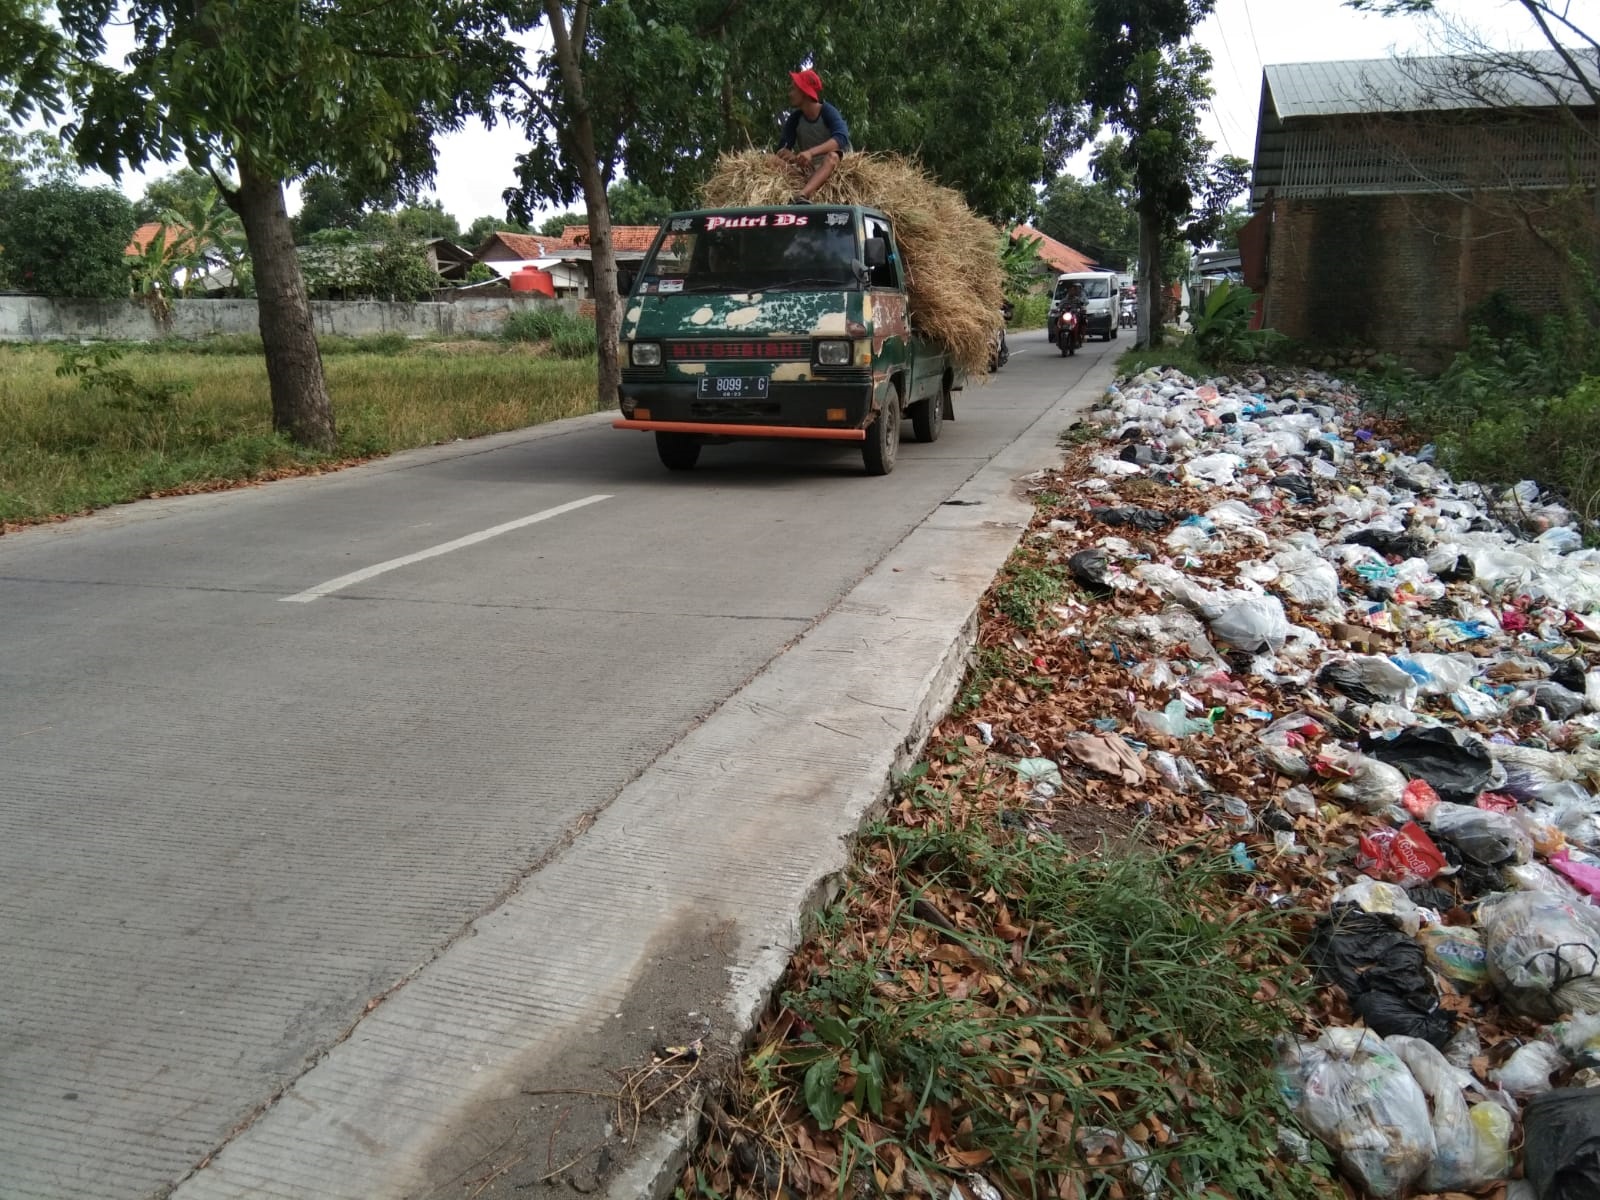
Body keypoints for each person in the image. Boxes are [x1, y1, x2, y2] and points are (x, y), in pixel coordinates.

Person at [775, 68, 850, 203]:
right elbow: (782, 149)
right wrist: (793, 157)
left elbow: (841, 138)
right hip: (807, 171)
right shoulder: (795, 118)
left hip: (831, 169)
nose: (790, 94)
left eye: (793, 89)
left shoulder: (827, 111)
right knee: (771, 160)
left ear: (804, 92)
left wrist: (810, 152)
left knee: (833, 156)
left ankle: (802, 195)